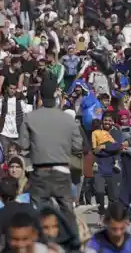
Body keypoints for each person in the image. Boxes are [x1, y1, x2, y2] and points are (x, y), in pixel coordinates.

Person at [19, 86, 83, 230]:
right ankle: (72, 245)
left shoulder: (30, 117)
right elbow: (78, 145)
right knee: (67, 211)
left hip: (41, 171)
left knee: (38, 212)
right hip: (62, 170)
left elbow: (23, 144)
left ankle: (41, 244)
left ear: (40, 97)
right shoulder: (67, 118)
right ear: (56, 97)